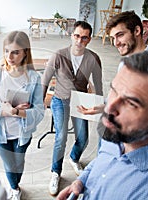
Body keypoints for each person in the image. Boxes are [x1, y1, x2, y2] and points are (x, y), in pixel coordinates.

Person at [57, 50, 148, 200]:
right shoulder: (119, 130)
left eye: (131, 103)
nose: (109, 108)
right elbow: (102, 161)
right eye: (114, 90)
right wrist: (81, 181)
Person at [41, 21, 103, 196]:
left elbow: (98, 84)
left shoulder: (93, 58)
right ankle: (55, 172)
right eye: (77, 36)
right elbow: (45, 80)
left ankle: (74, 158)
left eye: (84, 38)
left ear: (89, 39)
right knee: (61, 137)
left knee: (83, 138)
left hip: (81, 101)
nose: (79, 41)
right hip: (60, 100)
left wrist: (98, 104)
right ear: (72, 35)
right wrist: (39, 103)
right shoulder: (59, 55)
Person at [0, 31, 44, 200]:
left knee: (19, 163)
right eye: (7, 51)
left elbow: (39, 111)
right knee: (9, 165)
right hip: (0, 133)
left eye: (15, 52)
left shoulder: (34, 78)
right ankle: (15, 189)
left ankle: (16, 185)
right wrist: (5, 111)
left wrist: (17, 112)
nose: (10, 56)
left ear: (25, 52)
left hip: (22, 132)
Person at [78, 10, 148, 115]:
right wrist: (103, 106)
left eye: (120, 35)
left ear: (136, 31)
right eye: (113, 38)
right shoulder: (125, 62)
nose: (116, 43)